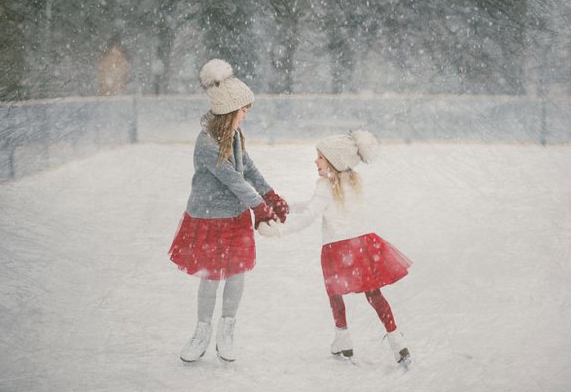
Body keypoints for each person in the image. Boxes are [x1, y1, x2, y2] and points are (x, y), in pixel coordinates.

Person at [169, 59, 289, 364]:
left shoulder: (233, 136)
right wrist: (261, 209)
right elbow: (235, 181)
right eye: (243, 110)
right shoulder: (207, 143)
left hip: (235, 216)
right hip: (209, 217)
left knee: (236, 273)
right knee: (210, 276)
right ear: (227, 113)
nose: (246, 115)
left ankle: (227, 330)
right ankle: (202, 332)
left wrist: (270, 194)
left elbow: (247, 168)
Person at [258, 130, 412, 367]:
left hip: (337, 250)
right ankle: (396, 340)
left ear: (334, 161)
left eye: (320, 157)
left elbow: (310, 215)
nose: (315, 161)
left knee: (335, 294)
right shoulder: (353, 182)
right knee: (374, 293)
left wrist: (278, 230)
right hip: (362, 245)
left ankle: (344, 339)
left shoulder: (325, 186)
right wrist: (287, 206)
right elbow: (314, 207)